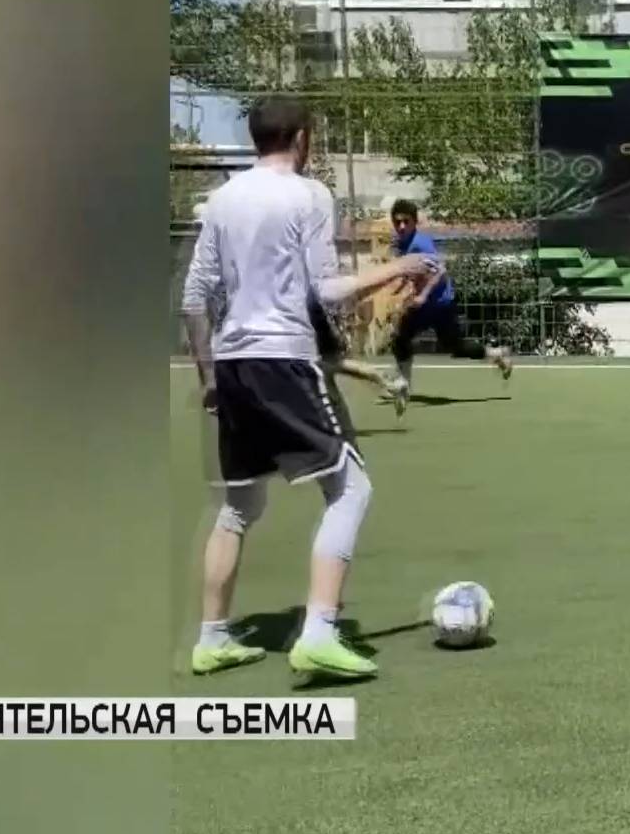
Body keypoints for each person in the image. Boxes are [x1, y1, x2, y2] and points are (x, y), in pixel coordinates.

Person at [179, 97, 438, 680]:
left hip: (234, 363)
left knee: (239, 505)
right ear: (300, 138)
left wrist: (210, 377)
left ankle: (212, 640)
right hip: (285, 360)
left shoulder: (222, 200)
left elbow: (195, 297)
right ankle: (319, 633)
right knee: (351, 489)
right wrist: (399, 269)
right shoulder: (309, 195)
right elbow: (326, 290)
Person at [382, 199, 513, 416]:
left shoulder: (420, 244)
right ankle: (403, 385)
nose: (402, 226)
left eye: (406, 221)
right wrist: (401, 288)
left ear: (415, 222)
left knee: (454, 347)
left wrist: (423, 295)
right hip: (426, 306)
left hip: (441, 304)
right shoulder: (403, 244)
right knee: (401, 338)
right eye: (398, 222)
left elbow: (440, 270)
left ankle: (497, 353)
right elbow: (414, 271)